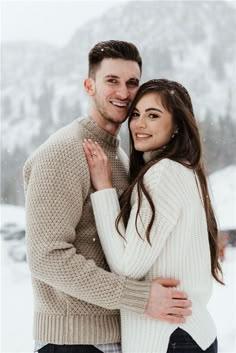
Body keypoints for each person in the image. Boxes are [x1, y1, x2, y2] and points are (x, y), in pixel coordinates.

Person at [23, 42, 192, 353]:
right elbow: (46, 257)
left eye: (132, 83)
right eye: (112, 81)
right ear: (90, 85)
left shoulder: (121, 154)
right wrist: (138, 297)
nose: (124, 93)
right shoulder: (63, 151)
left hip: (115, 336)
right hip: (74, 341)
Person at [83, 78, 224, 353]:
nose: (139, 124)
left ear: (177, 126)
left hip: (167, 338)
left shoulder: (162, 174)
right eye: (135, 114)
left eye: (153, 115)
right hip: (190, 335)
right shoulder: (186, 171)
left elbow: (127, 266)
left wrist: (103, 190)